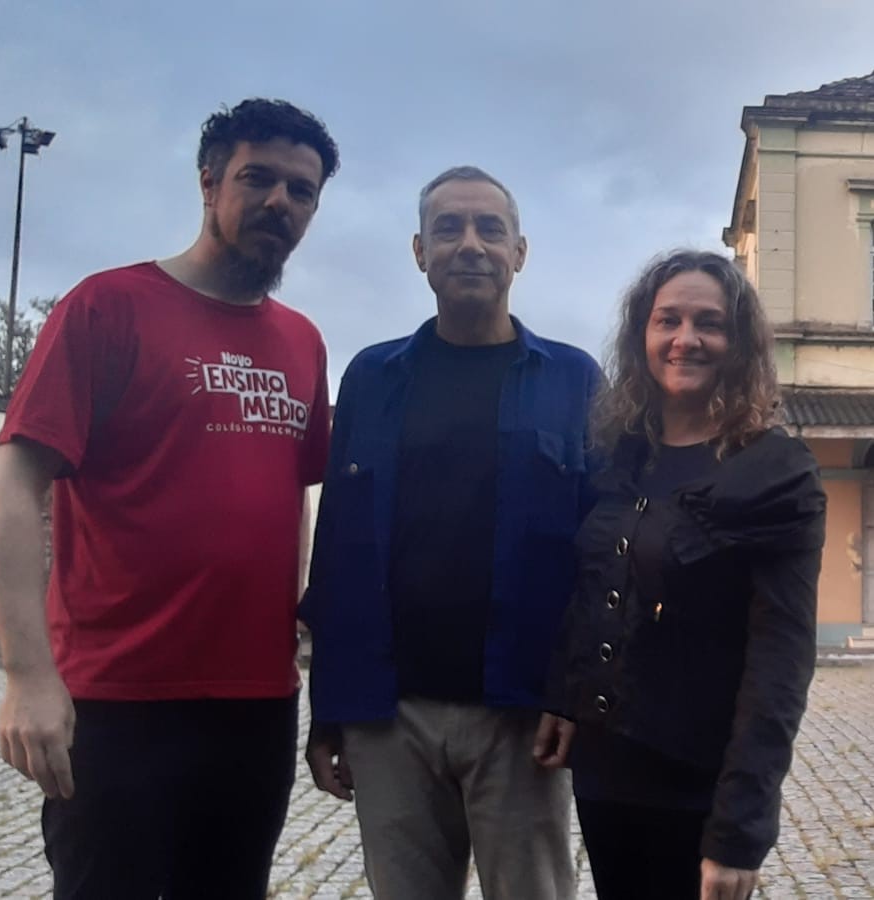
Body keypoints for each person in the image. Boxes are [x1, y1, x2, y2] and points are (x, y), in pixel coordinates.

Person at [0, 98, 339, 900]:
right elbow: (11, 483)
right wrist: (29, 677)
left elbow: (292, 499)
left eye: (302, 190)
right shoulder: (107, 308)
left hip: (256, 705)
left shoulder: (304, 343)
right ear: (209, 183)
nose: (281, 201)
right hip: (116, 700)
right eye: (259, 178)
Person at [299, 165, 602, 900]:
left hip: (521, 714)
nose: (470, 245)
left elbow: (601, 557)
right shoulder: (372, 378)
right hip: (388, 714)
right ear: (419, 250)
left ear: (519, 252)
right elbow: (337, 543)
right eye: (449, 229)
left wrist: (574, 695)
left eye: (489, 229)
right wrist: (328, 709)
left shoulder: (573, 380)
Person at [536, 249, 826, 900]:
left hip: (697, 786)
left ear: (740, 342)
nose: (685, 338)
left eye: (709, 323)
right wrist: (562, 694)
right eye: (668, 319)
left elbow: (780, 665)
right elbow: (591, 588)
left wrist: (741, 832)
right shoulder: (617, 452)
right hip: (606, 775)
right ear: (643, 334)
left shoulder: (777, 473)